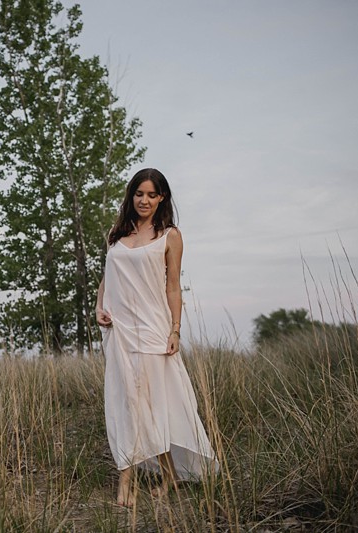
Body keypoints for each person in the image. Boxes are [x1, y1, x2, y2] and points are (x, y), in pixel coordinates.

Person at [95, 168, 217, 507]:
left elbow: (173, 285)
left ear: (161, 197)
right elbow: (108, 278)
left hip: (153, 329)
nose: (144, 200)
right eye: (139, 193)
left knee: (151, 405)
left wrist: (175, 329)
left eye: (151, 194)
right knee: (126, 402)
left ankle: (158, 477)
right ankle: (134, 479)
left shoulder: (169, 235)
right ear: (131, 196)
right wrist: (98, 308)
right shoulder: (116, 233)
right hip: (119, 330)